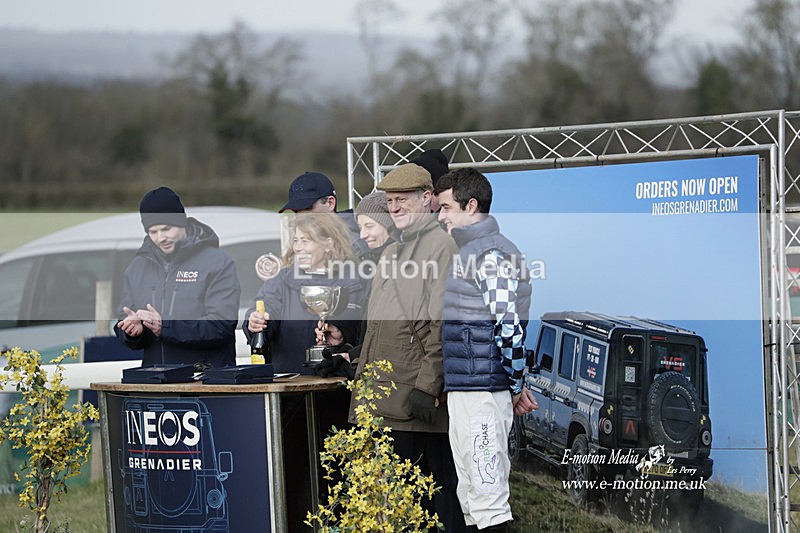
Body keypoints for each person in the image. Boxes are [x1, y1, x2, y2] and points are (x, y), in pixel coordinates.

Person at [349, 163, 467, 531]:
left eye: (403, 199)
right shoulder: (391, 252)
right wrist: (356, 371)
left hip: (414, 399)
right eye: (390, 201)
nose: (395, 207)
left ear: (428, 198)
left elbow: (443, 324)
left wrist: (427, 387)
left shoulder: (441, 246)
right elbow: (378, 329)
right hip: (383, 398)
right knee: (398, 505)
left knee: (435, 502)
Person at [434, 168, 539, 532]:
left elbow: (508, 328)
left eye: (446, 207)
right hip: (469, 388)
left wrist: (515, 384)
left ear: (471, 205)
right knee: (473, 499)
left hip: (482, 392)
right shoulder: (471, 252)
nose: (441, 216)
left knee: (488, 499)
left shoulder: (491, 254)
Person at [114, 186, 240, 368]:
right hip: (156, 379)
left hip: (206, 378)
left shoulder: (218, 263)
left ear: (182, 222)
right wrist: (132, 331)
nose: (160, 238)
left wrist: (164, 327)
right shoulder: (136, 268)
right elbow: (124, 318)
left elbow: (221, 326)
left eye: (166, 229)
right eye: (153, 232)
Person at [243, 211, 364, 375]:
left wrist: (341, 334)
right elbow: (264, 308)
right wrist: (256, 323)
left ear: (329, 244)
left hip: (337, 381)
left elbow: (362, 332)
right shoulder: (281, 280)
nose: (298, 248)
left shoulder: (353, 281)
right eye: (295, 240)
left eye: (305, 241)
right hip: (291, 381)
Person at [314, 190, 395, 379]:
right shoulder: (369, 265)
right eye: (360, 228)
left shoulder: (401, 266)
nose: (363, 235)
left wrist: (353, 355)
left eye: (370, 226)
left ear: (389, 225)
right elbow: (368, 328)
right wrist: (342, 336)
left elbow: (394, 333)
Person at [279, 171, 370, 259]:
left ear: (330, 203)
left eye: (307, 208)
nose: (301, 216)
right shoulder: (300, 244)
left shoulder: (355, 246)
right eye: (296, 210)